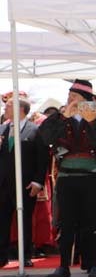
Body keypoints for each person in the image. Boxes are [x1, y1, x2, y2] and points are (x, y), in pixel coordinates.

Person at [38, 80, 96, 277]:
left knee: (92, 221)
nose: (70, 99)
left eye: (74, 97)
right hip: (66, 177)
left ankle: (94, 265)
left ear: (85, 100)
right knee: (66, 223)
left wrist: (91, 120)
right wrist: (63, 117)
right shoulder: (59, 117)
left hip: (91, 178)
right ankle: (63, 265)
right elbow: (45, 137)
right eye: (69, 96)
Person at [0, 98, 48, 266]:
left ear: (21, 109)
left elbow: (42, 159)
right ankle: (1, 256)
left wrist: (37, 182)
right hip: (3, 184)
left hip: (25, 184)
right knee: (2, 220)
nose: (5, 108)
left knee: (25, 219)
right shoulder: (2, 129)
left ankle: (25, 255)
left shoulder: (34, 130)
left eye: (8, 106)